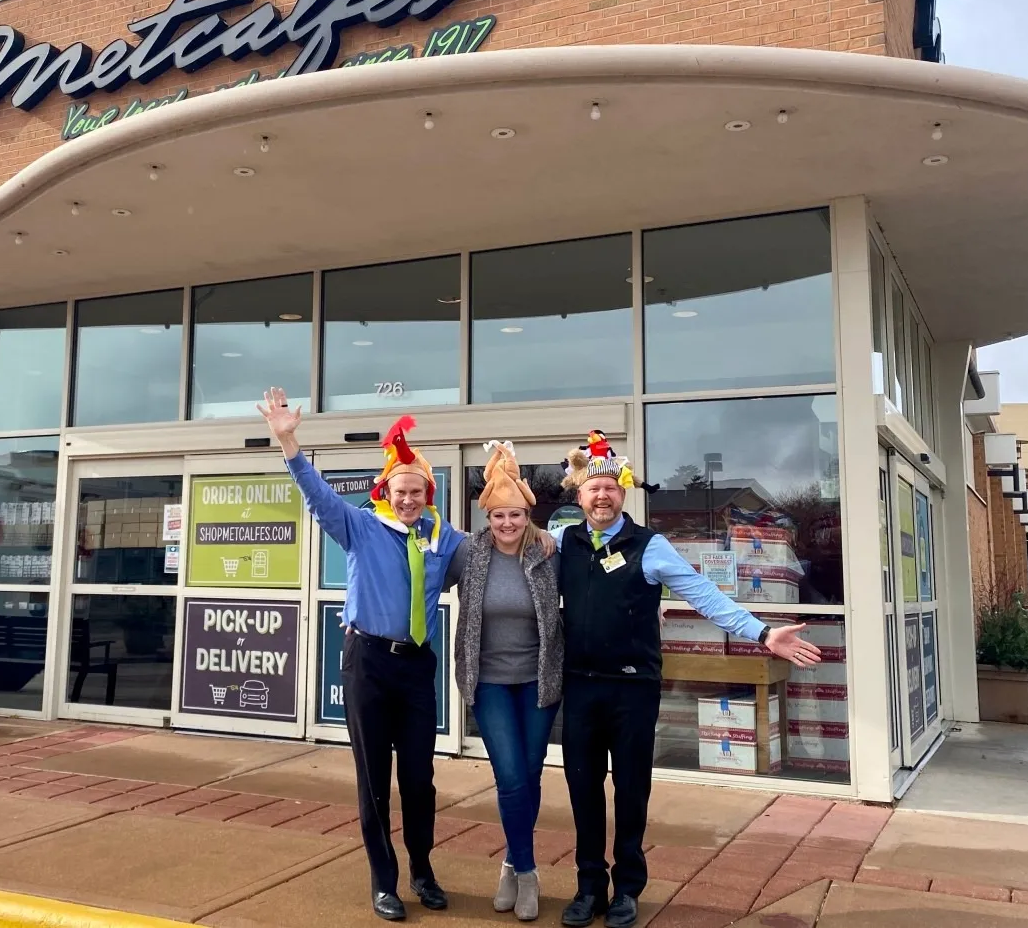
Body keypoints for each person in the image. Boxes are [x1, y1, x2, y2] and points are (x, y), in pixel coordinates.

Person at [552, 433, 823, 928]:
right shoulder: (563, 545)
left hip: (633, 688)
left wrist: (762, 633)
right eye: (593, 488)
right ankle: (589, 885)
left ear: (624, 492)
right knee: (582, 789)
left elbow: (704, 595)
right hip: (581, 686)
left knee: (631, 789)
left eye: (611, 487)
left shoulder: (649, 546)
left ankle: (627, 888)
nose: (602, 495)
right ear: (579, 496)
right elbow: (510, 562)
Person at [258, 389, 462, 922]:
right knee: (373, 776)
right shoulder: (360, 527)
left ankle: (422, 869)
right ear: (386, 491)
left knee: (419, 776)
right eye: (401, 490)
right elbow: (316, 493)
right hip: (368, 661)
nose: (409, 499)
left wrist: (541, 538)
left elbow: (494, 555)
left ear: (429, 494)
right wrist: (287, 439)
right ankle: (383, 881)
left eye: (418, 491)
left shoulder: (444, 539)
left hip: (417, 666)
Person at [453, 440, 562, 922]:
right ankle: (528, 869)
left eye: (515, 515)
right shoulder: (469, 554)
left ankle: (512, 865)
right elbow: (416, 571)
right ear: (488, 518)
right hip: (491, 681)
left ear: (527, 515)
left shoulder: (548, 551)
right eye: (499, 516)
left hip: (538, 680)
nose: (507, 524)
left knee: (531, 771)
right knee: (511, 775)